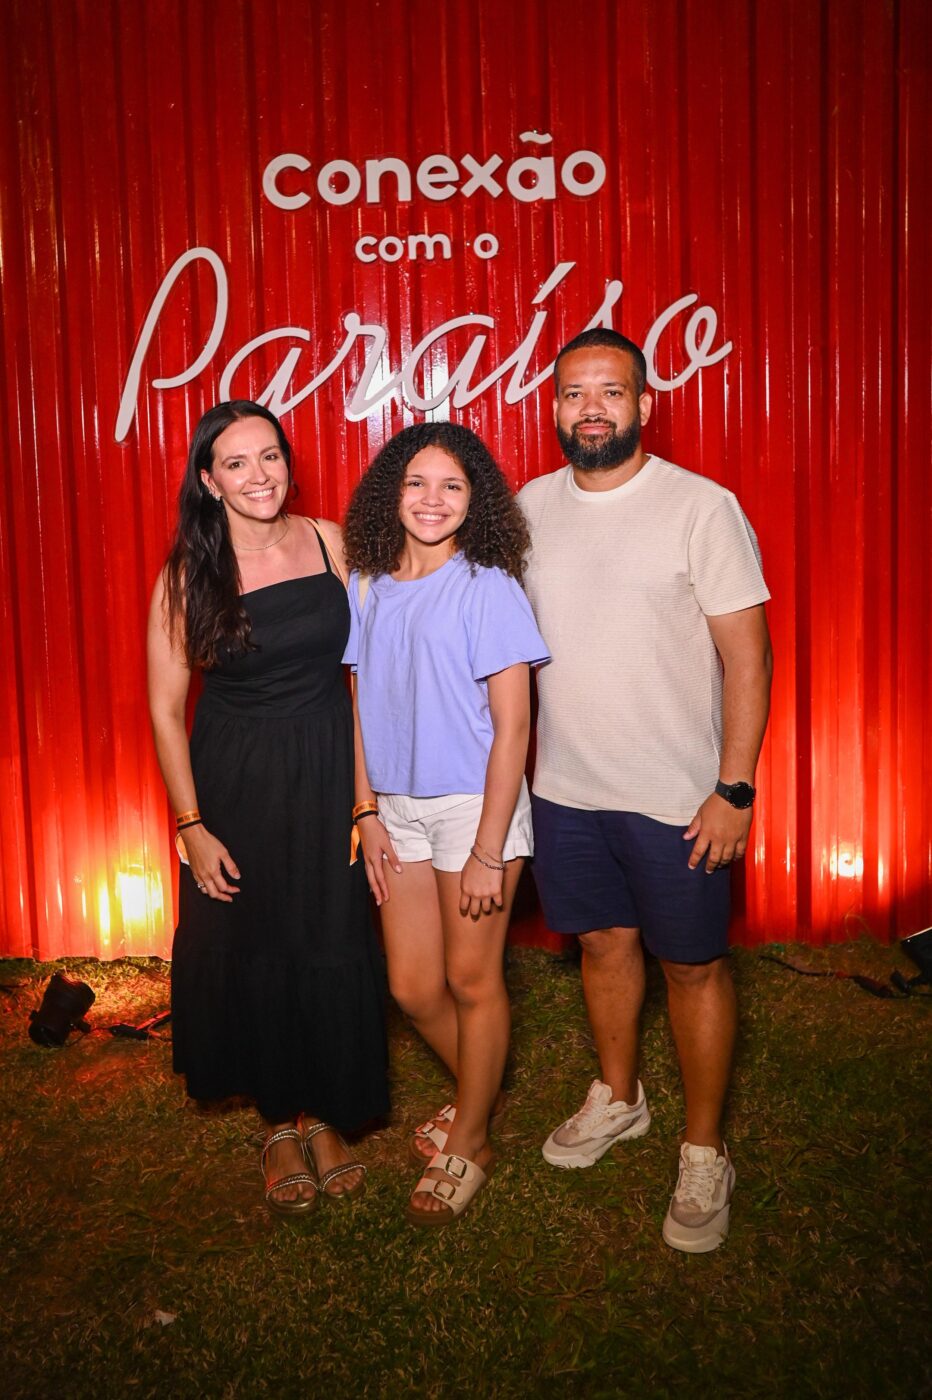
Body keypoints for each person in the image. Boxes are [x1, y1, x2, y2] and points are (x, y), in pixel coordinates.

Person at [518, 329, 772, 1253]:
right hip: (567, 790)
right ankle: (619, 1098)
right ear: (553, 409)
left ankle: (704, 1149)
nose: (592, 408)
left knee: (695, 966)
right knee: (601, 946)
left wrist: (733, 788)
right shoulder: (528, 508)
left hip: (678, 796)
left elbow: (748, 655)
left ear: (644, 405)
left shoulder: (700, 508)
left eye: (611, 393)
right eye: (575, 393)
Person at [147, 400, 389, 1216]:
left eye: (271, 457)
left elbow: (361, 681)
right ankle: (278, 1122)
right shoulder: (188, 573)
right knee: (255, 935)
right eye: (239, 463)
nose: (261, 476)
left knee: (327, 928)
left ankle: (323, 1108)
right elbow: (165, 707)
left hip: (325, 767)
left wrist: (364, 802)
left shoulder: (329, 540)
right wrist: (191, 827)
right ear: (209, 481)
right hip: (237, 778)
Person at [342, 422, 549, 1227]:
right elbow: (358, 710)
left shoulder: (487, 584)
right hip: (395, 810)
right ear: (391, 492)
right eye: (417, 483)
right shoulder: (367, 585)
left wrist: (492, 849)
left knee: (471, 980)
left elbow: (515, 729)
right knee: (412, 986)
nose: (432, 500)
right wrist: (365, 812)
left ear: (477, 500)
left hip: (473, 810)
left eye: (452, 486)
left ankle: (470, 1136)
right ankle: (481, 1095)